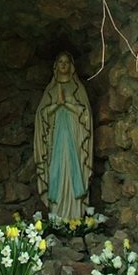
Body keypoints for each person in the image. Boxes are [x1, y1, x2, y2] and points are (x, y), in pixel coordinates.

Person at [34, 52, 93, 220]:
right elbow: (41, 116)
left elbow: (86, 114)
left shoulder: (77, 89)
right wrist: (55, 106)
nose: (64, 65)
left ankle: (75, 215)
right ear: (56, 65)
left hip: (74, 138)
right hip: (55, 140)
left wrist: (66, 104)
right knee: (56, 170)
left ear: (71, 65)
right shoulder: (51, 90)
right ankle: (57, 215)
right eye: (60, 61)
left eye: (67, 61)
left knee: (75, 169)